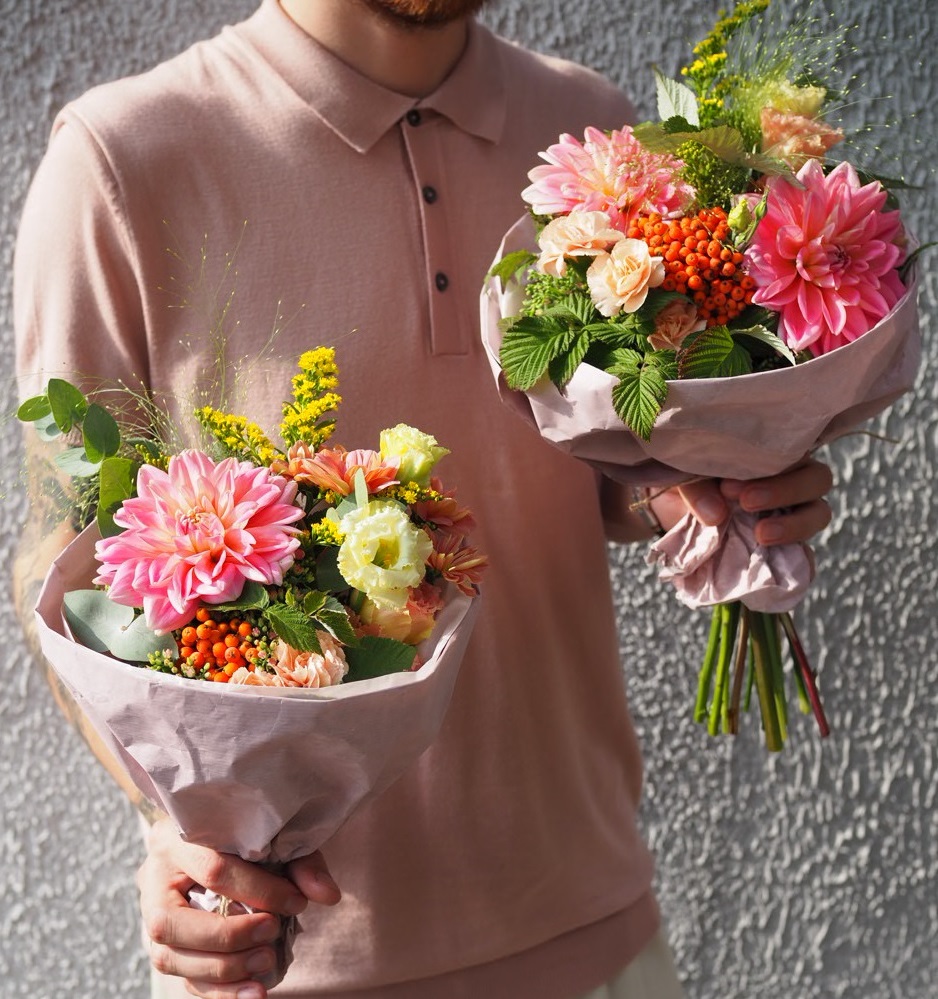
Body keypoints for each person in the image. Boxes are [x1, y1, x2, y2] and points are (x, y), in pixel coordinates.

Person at [13, 1, 833, 997]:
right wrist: (173, 832)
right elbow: (64, 565)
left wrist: (710, 492)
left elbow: (597, 473)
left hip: (588, 925)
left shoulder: (592, 131)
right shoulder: (122, 163)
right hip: (289, 956)